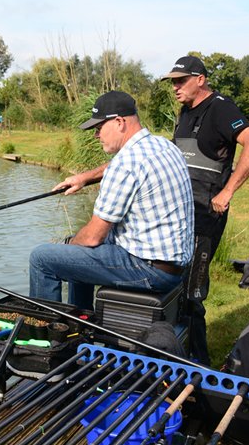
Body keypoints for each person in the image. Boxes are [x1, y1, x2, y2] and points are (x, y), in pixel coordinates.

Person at [29, 90, 195, 311]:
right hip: (174, 265)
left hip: (148, 270)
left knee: (42, 258)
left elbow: (93, 237)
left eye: (99, 129)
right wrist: (85, 177)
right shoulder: (164, 146)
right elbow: (123, 166)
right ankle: (80, 321)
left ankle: (46, 335)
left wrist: (71, 245)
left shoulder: (125, 164)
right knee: (73, 249)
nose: (96, 136)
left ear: (119, 122)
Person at [162, 55, 249, 365]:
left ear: (200, 79)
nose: (175, 87)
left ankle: (199, 365)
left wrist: (227, 191)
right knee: (172, 285)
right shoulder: (185, 112)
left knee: (193, 290)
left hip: (206, 216)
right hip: (180, 211)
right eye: (173, 82)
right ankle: (173, 353)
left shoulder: (221, 107)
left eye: (181, 80)